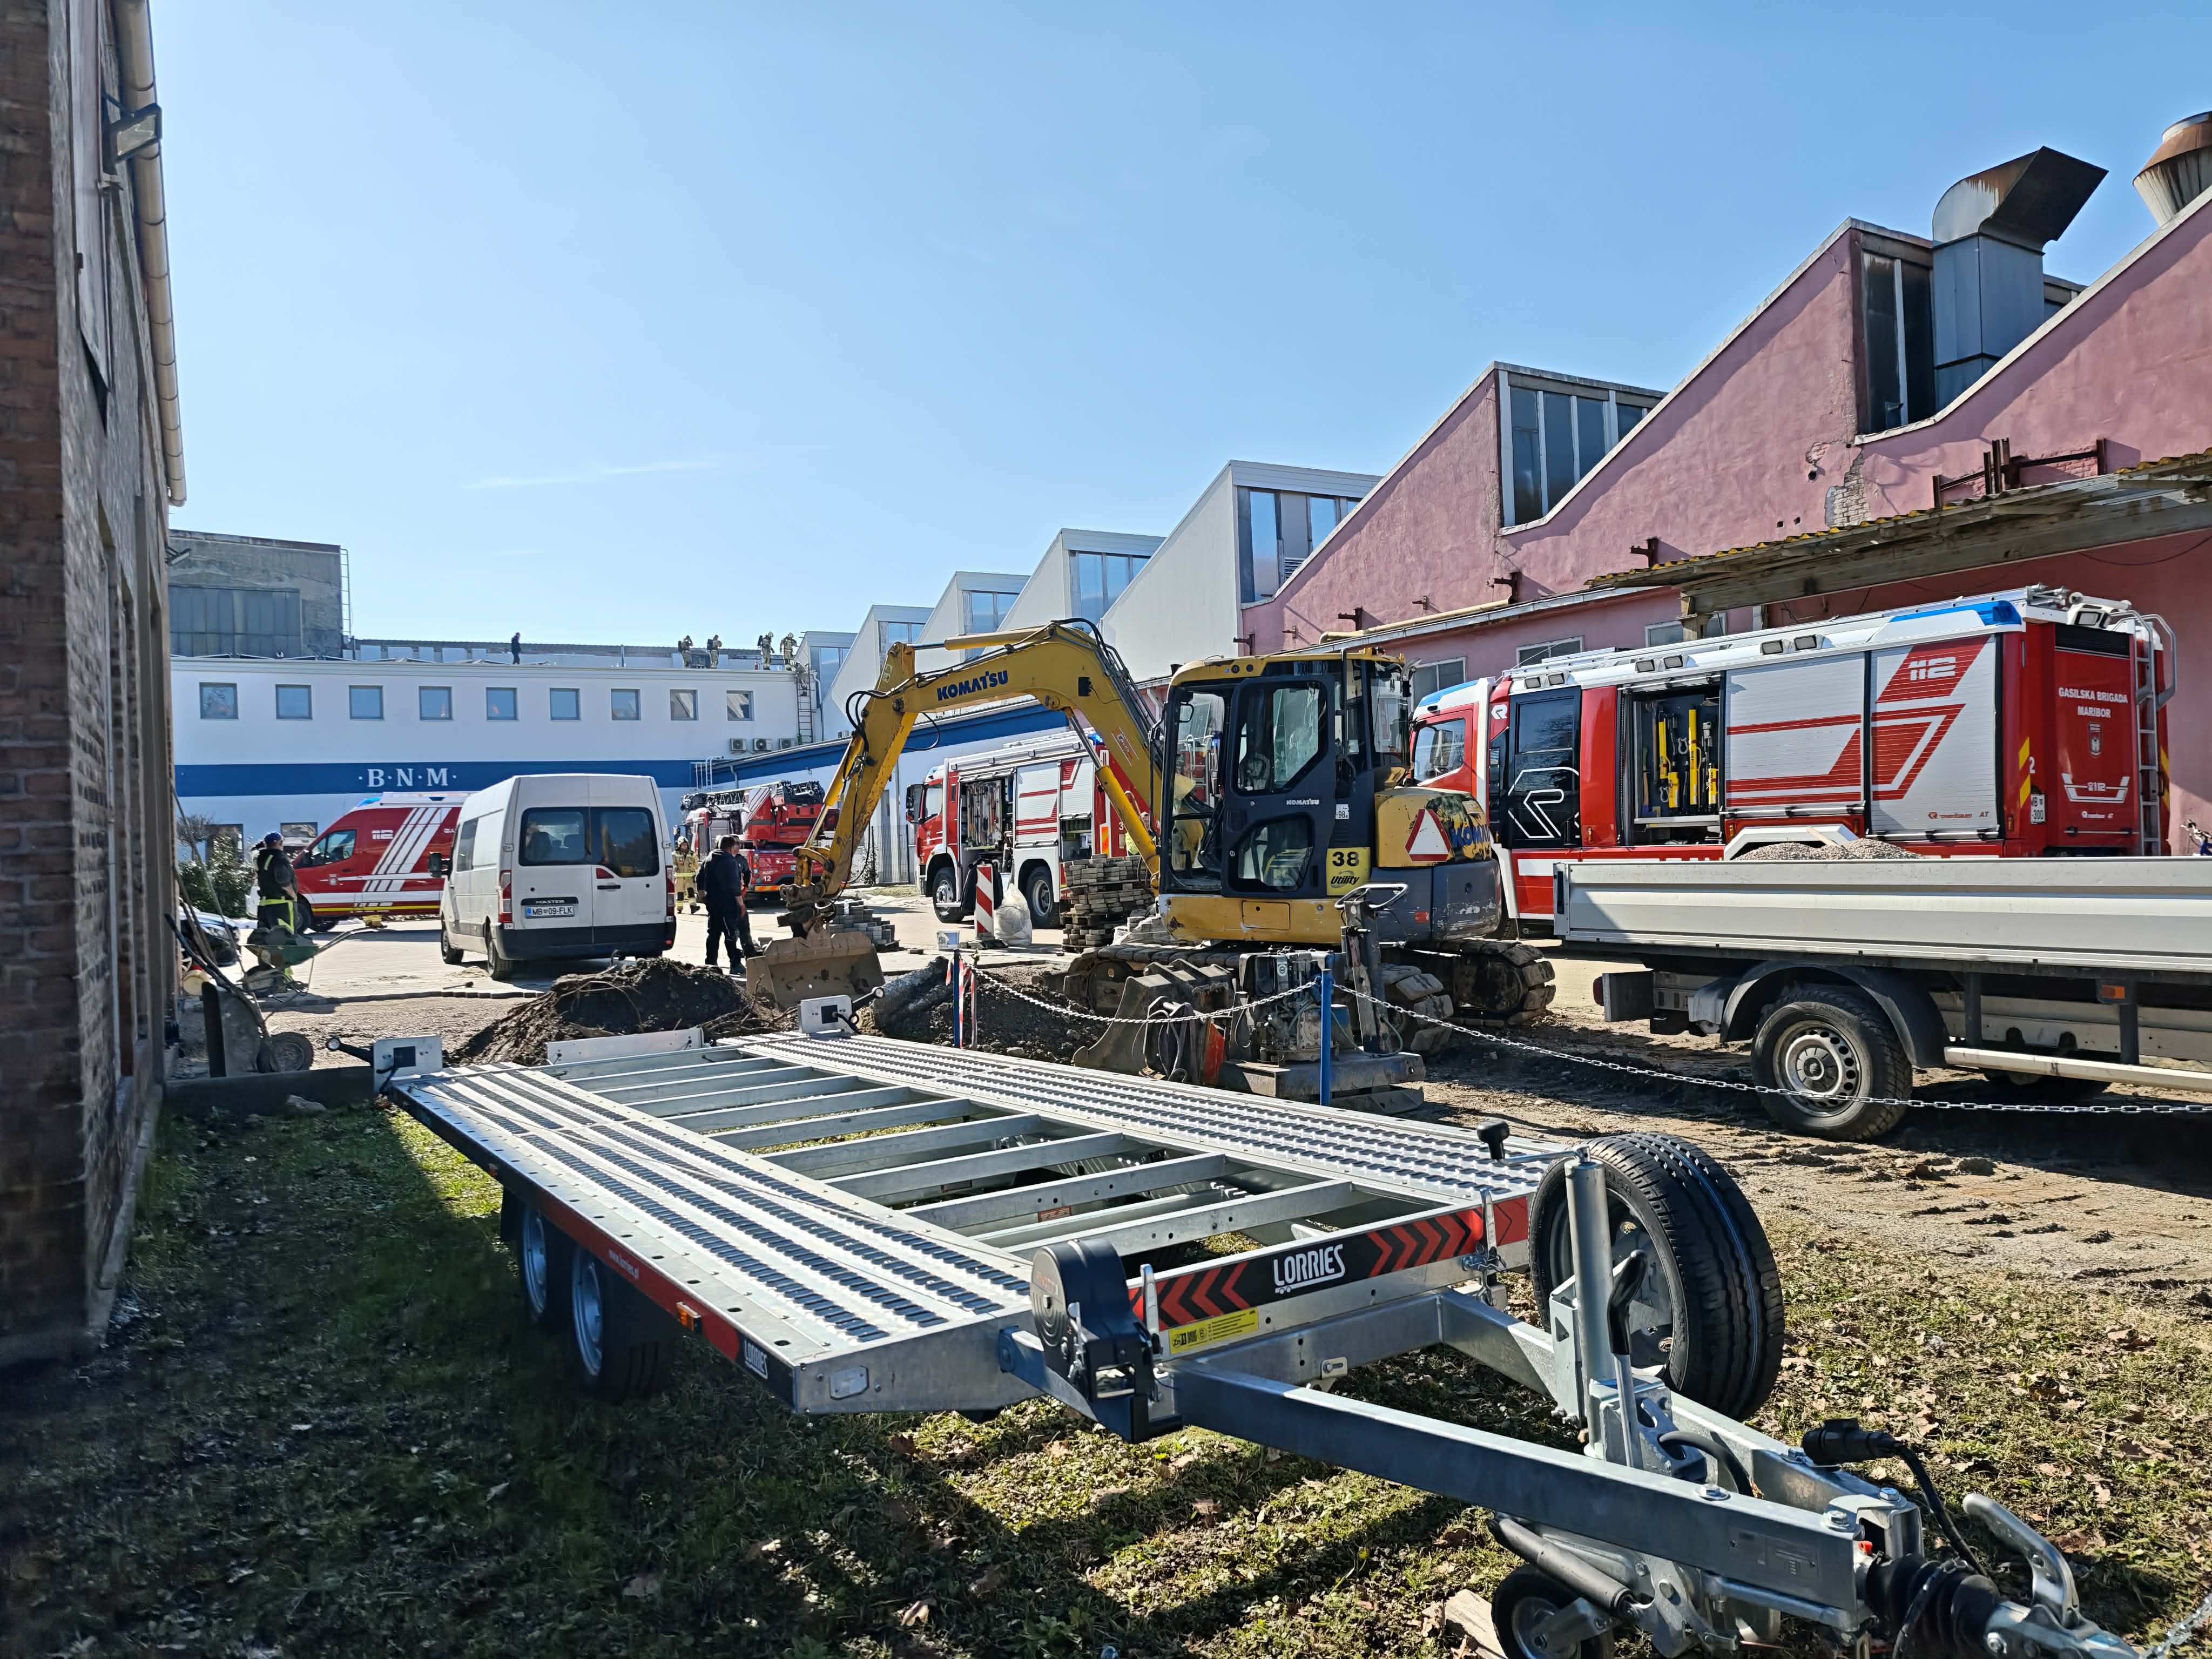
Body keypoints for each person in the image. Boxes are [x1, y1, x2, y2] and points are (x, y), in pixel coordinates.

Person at [697, 834, 759, 970]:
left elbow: (699, 879)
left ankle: (711, 963)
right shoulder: (729, 861)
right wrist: (741, 905)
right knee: (731, 934)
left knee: (713, 934)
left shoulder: (708, 859)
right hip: (728, 905)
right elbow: (734, 886)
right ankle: (735, 963)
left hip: (713, 906)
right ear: (731, 847)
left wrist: (704, 899)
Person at [253, 832, 301, 932]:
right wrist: (293, 895)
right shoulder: (280, 858)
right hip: (282, 905)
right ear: (279, 843)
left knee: (268, 938)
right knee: (286, 936)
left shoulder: (260, 858)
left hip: (264, 906)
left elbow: (258, 877)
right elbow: (283, 880)